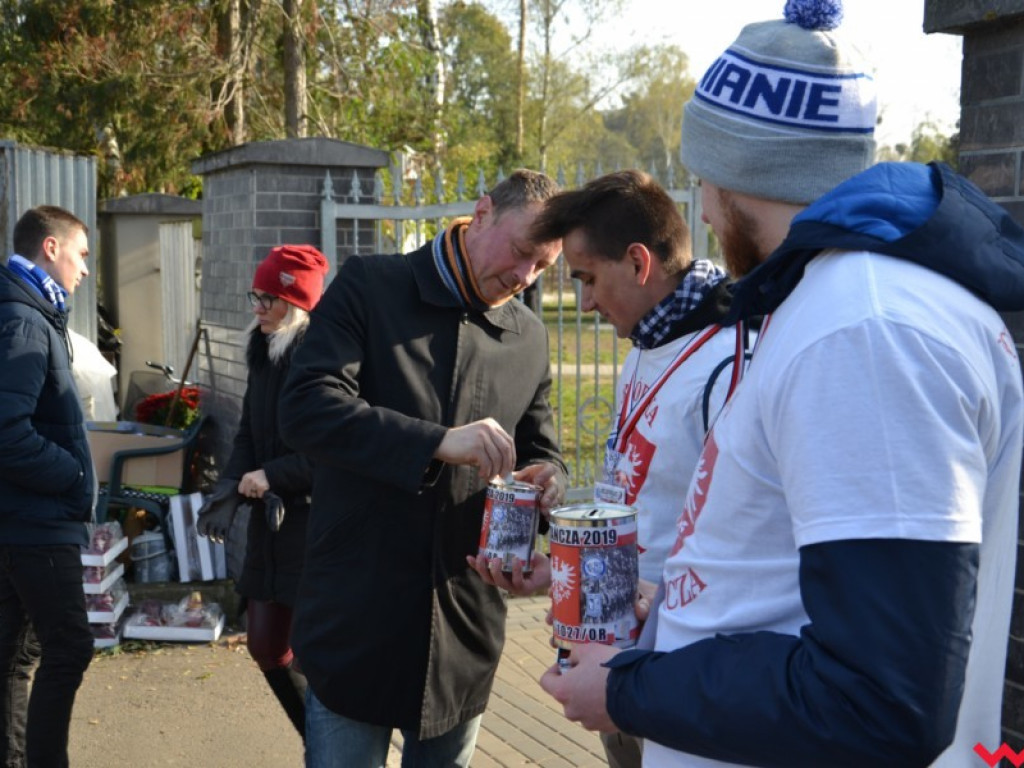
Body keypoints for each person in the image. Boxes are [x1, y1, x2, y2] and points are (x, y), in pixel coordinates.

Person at [538, 2, 1024, 766]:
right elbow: (779, 574)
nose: (698, 205)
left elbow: (880, 698)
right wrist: (661, 623)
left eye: (703, 179)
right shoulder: (837, 307)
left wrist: (630, 689)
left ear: (741, 174)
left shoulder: (863, 332)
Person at [278, 169, 569, 767]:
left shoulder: (529, 337)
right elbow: (306, 407)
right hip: (358, 617)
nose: (523, 278)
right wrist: (437, 442)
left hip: (463, 630)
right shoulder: (371, 286)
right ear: (482, 212)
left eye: (542, 268)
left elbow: (540, 446)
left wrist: (550, 479)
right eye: (520, 254)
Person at [469, 169, 742, 767]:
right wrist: (565, 575)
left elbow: (745, 551)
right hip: (622, 655)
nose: (585, 301)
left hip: (679, 670)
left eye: (588, 279)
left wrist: (653, 606)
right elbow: (641, 499)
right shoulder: (646, 345)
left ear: (640, 263)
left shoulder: (727, 365)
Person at [197, 244, 328, 742]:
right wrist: (228, 491)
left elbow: (335, 450)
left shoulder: (319, 359)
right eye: (255, 294)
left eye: (267, 297)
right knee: (266, 645)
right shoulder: (262, 352)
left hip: (312, 526)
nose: (256, 306)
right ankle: (321, 742)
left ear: (295, 304)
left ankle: (334, 749)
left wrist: (274, 476)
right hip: (269, 529)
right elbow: (249, 433)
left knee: (314, 654)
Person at [0, 205, 96, 767]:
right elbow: (6, 432)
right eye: (81, 255)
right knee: (69, 647)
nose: (85, 269)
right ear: (51, 249)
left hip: (24, 518)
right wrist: (72, 474)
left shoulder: (31, 310)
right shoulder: (24, 318)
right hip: (35, 521)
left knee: (14, 657)